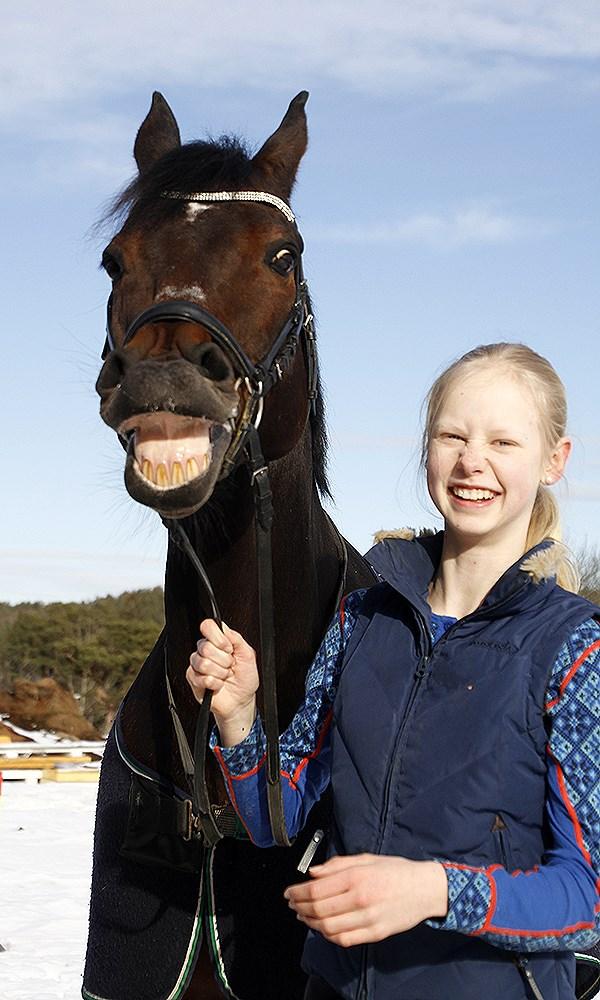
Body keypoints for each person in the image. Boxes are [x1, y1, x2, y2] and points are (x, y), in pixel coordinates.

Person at [187, 343, 600, 1000]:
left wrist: (430, 890)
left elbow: (588, 899)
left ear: (555, 460)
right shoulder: (361, 620)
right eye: (453, 435)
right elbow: (277, 820)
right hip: (336, 985)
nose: (473, 461)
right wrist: (239, 715)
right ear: (428, 448)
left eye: (504, 442)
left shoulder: (575, 648)